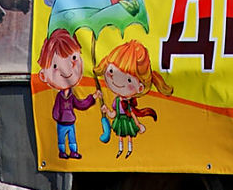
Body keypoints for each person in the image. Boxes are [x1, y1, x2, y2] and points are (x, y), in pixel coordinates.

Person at [95, 39, 173, 159]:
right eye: (111, 71)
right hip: (119, 121)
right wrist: (107, 111)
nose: (117, 81)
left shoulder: (128, 104)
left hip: (127, 121)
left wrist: (139, 125)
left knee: (129, 136)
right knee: (121, 136)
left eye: (129, 80)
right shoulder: (116, 101)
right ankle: (121, 149)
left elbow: (133, 114)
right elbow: (113, 113)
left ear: (140, 87)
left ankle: (129, 150)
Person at [37, 28, 97, 160]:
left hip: (70, 122)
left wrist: (92, 98)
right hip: (62, 123)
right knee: (61, 139)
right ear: (43, 75)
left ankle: (74, 152)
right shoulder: (59, 96)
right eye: (55, 66)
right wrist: (58, 117)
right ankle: (62, 152)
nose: (66, 71)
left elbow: (80, 104)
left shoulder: (71, 96)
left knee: (72, 138)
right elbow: (55, 109)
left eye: (74, 58)